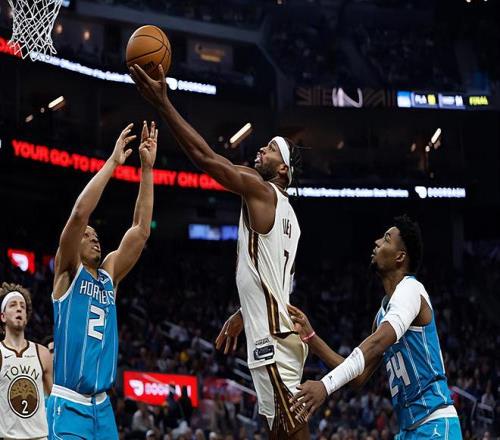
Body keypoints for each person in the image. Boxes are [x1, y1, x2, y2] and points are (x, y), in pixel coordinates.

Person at [129, 64, 308, 439]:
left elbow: (207, 159)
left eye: (270, 149)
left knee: (293, 431)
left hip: (272, 341)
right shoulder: (290, 216)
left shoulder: (262, 190)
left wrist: (163, 103)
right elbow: (279, 287)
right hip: (273, 335)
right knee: (280, 432)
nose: (261, 149)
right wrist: (243, 313)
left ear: (283, 170)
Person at [288, 215, 463, 439]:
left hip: (435, 424)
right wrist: (312, 339)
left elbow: (377, 343)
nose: (377, 242)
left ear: (400, 256)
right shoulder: (382, 314)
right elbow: (358, 377)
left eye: (386, 239)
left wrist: (325, 385)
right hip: (408, 430)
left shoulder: (411, 290)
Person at [46, 122, 157, 439]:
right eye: (87, 236)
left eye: (97, 236)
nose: (94, 238)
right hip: (69, 404)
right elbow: (80, 214)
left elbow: (140, 230)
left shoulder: (109, 275)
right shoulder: (68, 272)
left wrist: (146, 170)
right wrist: (113, 163)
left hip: (103, 408)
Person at [0, 282, 52, 440]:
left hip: (41, 437)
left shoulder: (42, 353)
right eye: (13, 305)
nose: (19, 309)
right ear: (3, 316)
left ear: (27, 318)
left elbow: (54, 402)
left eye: (22, 306)